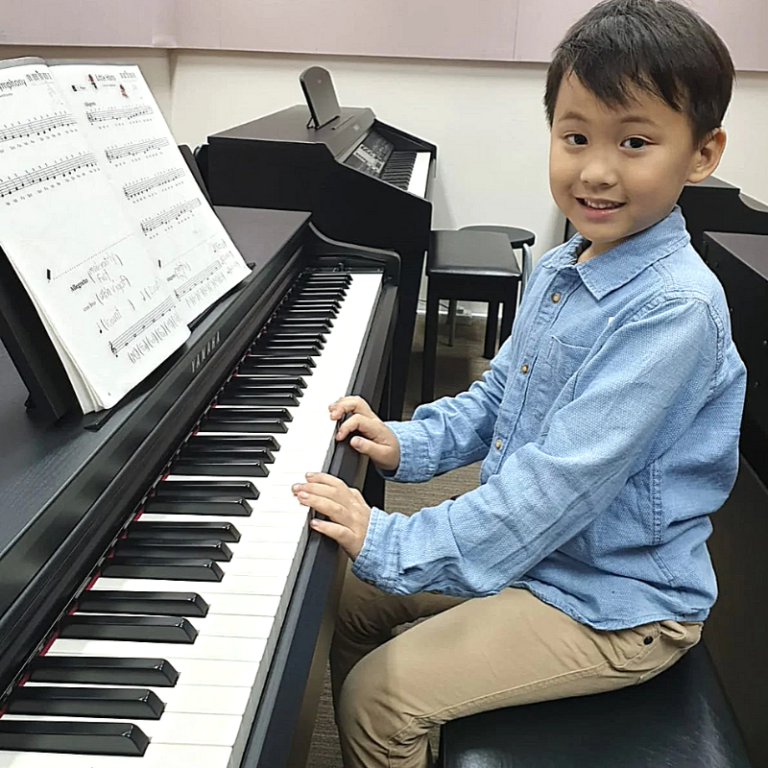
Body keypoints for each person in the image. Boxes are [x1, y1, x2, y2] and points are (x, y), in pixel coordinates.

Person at [291, 1, 747, 766]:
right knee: (346, 599)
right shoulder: (568, 265)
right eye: (576, 137)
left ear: (702, 154)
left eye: (635, 142)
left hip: (615, 602)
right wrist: (406, 441)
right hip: (544, 554)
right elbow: (499, 395)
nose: (595, 169)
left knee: (377, 699)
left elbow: (555, 487)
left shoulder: (675, 311)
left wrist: (393, 536)